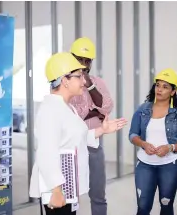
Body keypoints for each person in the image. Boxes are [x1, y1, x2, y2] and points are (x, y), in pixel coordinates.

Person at [29, 52, 127, 215]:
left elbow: (75, 137)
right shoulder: (50, 110)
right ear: (64, 80)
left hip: (68, 186)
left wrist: (101, 130)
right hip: (56, 189)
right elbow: (46, 153)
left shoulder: (68, 107)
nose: (84, 81)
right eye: (79, 76)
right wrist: (56, 190)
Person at [129, 69, 177, 215]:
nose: (160, 89)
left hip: (171, 166)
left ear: (173, 91)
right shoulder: (142, 110)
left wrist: (171, 147)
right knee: (143, 207)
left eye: (165, 87)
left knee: (166, 206)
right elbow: (132, 135)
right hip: (144, 164)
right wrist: (143, 144)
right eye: (158, 85)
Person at [69, 37, 113, 215]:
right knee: (70, 194)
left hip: (94, 144)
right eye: (80, 59)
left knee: (98, 193)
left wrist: (91, 86)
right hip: (71, 147)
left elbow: (107, 107)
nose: (85, 64)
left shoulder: (98, 82)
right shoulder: (66, 83)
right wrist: (95, 111)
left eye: (88, 61)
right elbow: (73, 116)